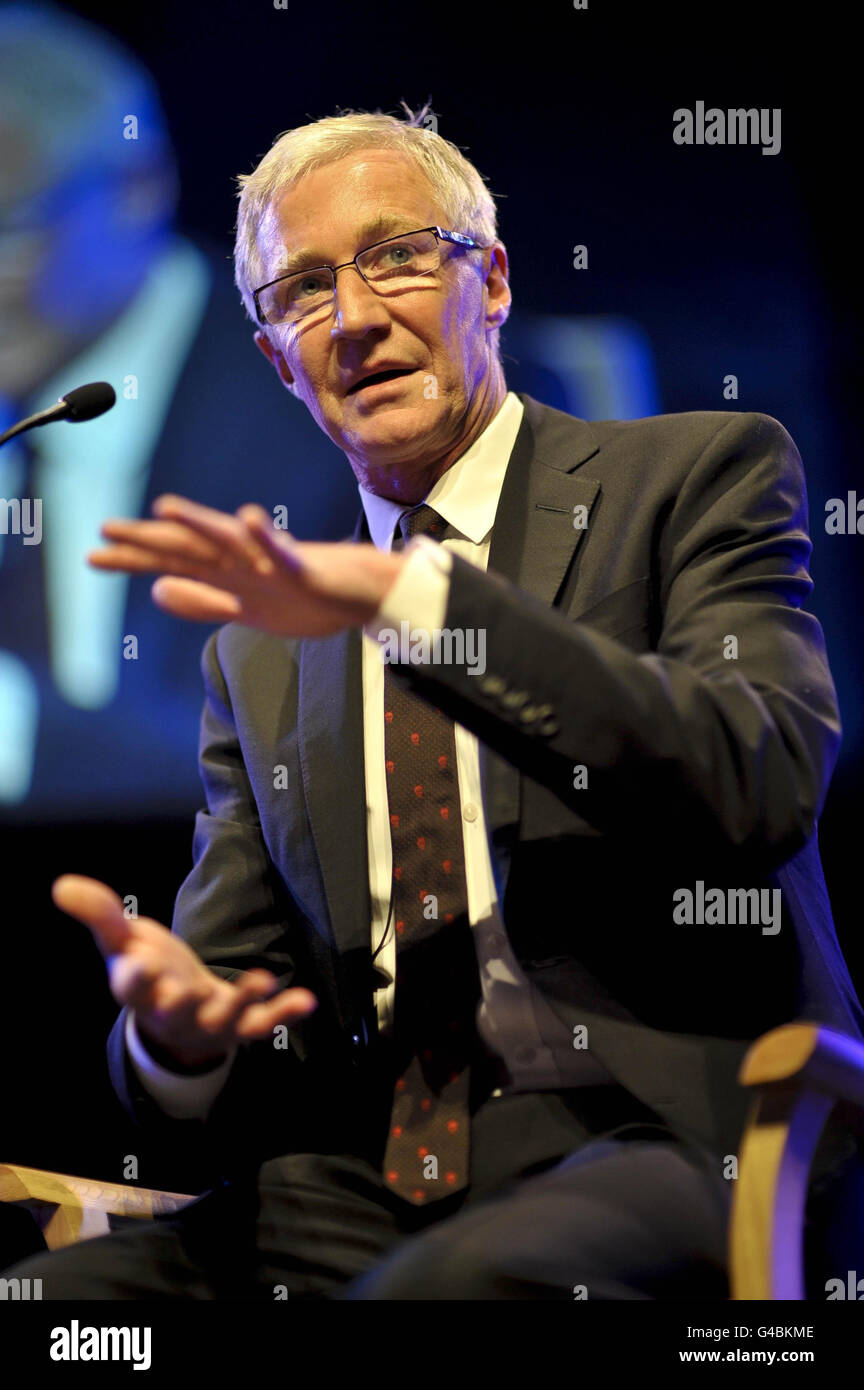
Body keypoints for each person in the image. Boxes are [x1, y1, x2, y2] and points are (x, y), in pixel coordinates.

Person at [7, 105, 864, 1301]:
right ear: (273, 359)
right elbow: (220, 998)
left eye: (399, 255)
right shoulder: (258, 655)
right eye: (302, 291)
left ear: (494, 281)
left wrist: (419, 600)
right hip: (369, 1178)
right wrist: (179, 1033)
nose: (354, 319)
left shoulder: (692, 478)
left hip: (668, 1138)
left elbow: (760, 777)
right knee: (55, 1308)